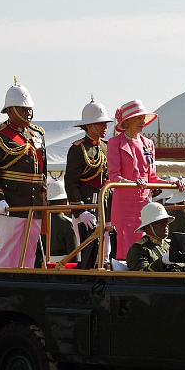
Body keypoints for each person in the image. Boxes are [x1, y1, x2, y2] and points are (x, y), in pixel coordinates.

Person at [107, 99, 182, 260]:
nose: (143, 121)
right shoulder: (114, 143)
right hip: (124, 208)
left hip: (145, 207)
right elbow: (114, 176)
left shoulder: (148, 144)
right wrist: (132, 183)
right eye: (139, 117)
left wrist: (172, 183)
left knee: (146, 246)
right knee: (124, 249)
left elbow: (152, 178)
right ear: (127, 121)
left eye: (143, 118)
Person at [0, 80, 46, 268]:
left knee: (29, 255)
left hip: (34, 204)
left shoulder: (38, 134)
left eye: (29, 108)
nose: (28, 112)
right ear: (10, 110)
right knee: (9, 255)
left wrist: (43, 201)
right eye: (22, 108)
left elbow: (42, 173)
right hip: (11, 203)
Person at [64, 97, 114, 261]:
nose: (105, 127)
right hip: (86, 205)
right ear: (90, 125)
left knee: (106, 250)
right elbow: (71, 182)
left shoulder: (106, 146)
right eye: (101, 123)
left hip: (104, 205)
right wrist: (80, 210)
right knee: (88, 250)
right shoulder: (78, 149)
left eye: (105, 123)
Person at [126, 202, 176, 272]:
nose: (165, 225)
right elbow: (142, 274)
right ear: (148, 227)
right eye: (160, 222)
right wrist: (162, 262)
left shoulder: (170, 245)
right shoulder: (138, 249)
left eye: (166, 221)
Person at [44, 179, 78, 263]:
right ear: (64, 201)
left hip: (43, 267)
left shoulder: (40, 222)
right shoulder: (68, 224)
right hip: (63, 269)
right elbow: (73, 257)